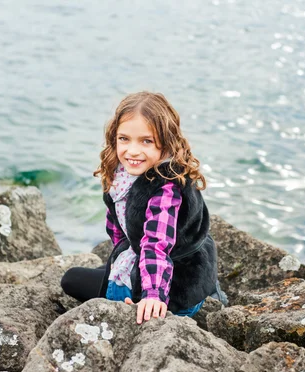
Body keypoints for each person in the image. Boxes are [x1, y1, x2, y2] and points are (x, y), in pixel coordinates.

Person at [61, 91, 226, 324]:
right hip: (183, 270)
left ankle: (137, 292)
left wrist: (152, 296)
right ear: (114, 137)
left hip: (174, 291)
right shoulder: (122, 175)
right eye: (124, 139)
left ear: (166, 143)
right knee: (101, 271)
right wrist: (119, 262)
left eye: (146, 141)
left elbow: (156, 244)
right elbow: (119, 232)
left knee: (71, 279)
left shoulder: (165, 187)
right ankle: (124, 276)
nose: (133, 151)